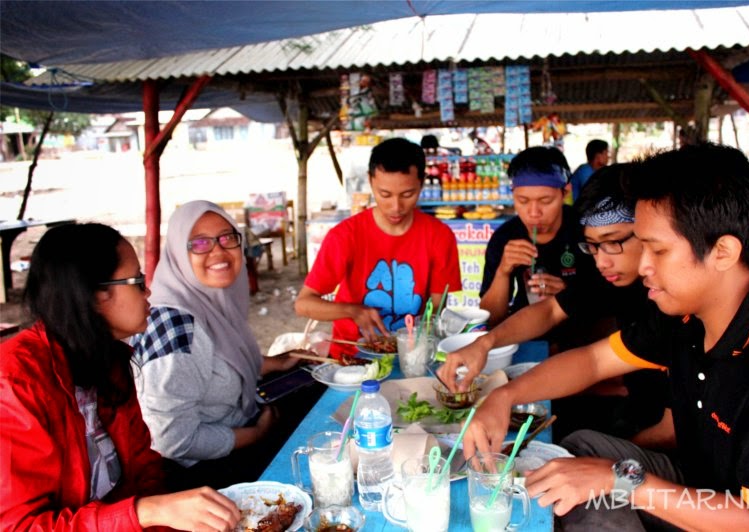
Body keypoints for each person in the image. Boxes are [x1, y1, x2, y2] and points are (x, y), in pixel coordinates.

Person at [461, 144, 749, 530]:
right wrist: (504, 397)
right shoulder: (684, 314)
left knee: (590, 481)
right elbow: (592, 361)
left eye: (656, 250)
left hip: (735, 515)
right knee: (581, 450)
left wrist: (621, 479)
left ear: (722, 251)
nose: (642, 266)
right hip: (690, 480)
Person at [0, 223, 239, 531]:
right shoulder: (16, 382)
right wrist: (143, 512)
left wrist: (163, 517)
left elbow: (145, 469)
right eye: (137, 281)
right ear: (95, 295)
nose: (148, 291)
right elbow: (19, 526)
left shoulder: (107, 358)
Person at [440, 164, 671, 442]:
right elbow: (553, 314)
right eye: (593, 247)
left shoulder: (673, 304)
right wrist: (485, 345)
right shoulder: (611, 273)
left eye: (612, 243)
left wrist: (604, 467)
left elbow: (671, 432)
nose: (601, 261)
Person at [132, 200, 301, 490]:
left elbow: (219, 361)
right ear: (177, 254)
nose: (218, 251)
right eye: (199, 244)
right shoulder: (176, 327)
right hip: (204, 474)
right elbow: (172, 440)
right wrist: (257, 434)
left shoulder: (209, 300)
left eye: (227, 238)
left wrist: (277, 362)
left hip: (238, 434)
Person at [295, 137, 462, 358]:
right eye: (385, 195)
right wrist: (352, 311)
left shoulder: (439, 236)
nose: (396, 207)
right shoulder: (345, 236)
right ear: (370, 181)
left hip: (412, 355)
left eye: (407, 195)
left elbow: (437, 309)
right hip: (351, 358)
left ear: (422, 182)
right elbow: (304, 304)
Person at [478, 146, 607, 351]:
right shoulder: (504, 238)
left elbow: (611, 306)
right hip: (524, 340)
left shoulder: (586, 230)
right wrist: (503, 271)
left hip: (583, 343)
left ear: (564, 192)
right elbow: (491, 318)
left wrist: (568, 296)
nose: (534, 213)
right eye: (523, 201)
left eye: (545, 201)